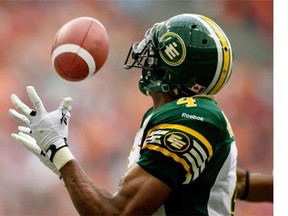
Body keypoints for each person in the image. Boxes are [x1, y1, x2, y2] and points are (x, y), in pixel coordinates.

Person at [9, 14, 237, 215]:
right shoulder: (173, 114)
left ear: (175, 66)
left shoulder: (194, 118)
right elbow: (116, 204)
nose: (146, 52)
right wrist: (62, 162)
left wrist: (60, 153)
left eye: (157, 49)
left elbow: (118, 213)